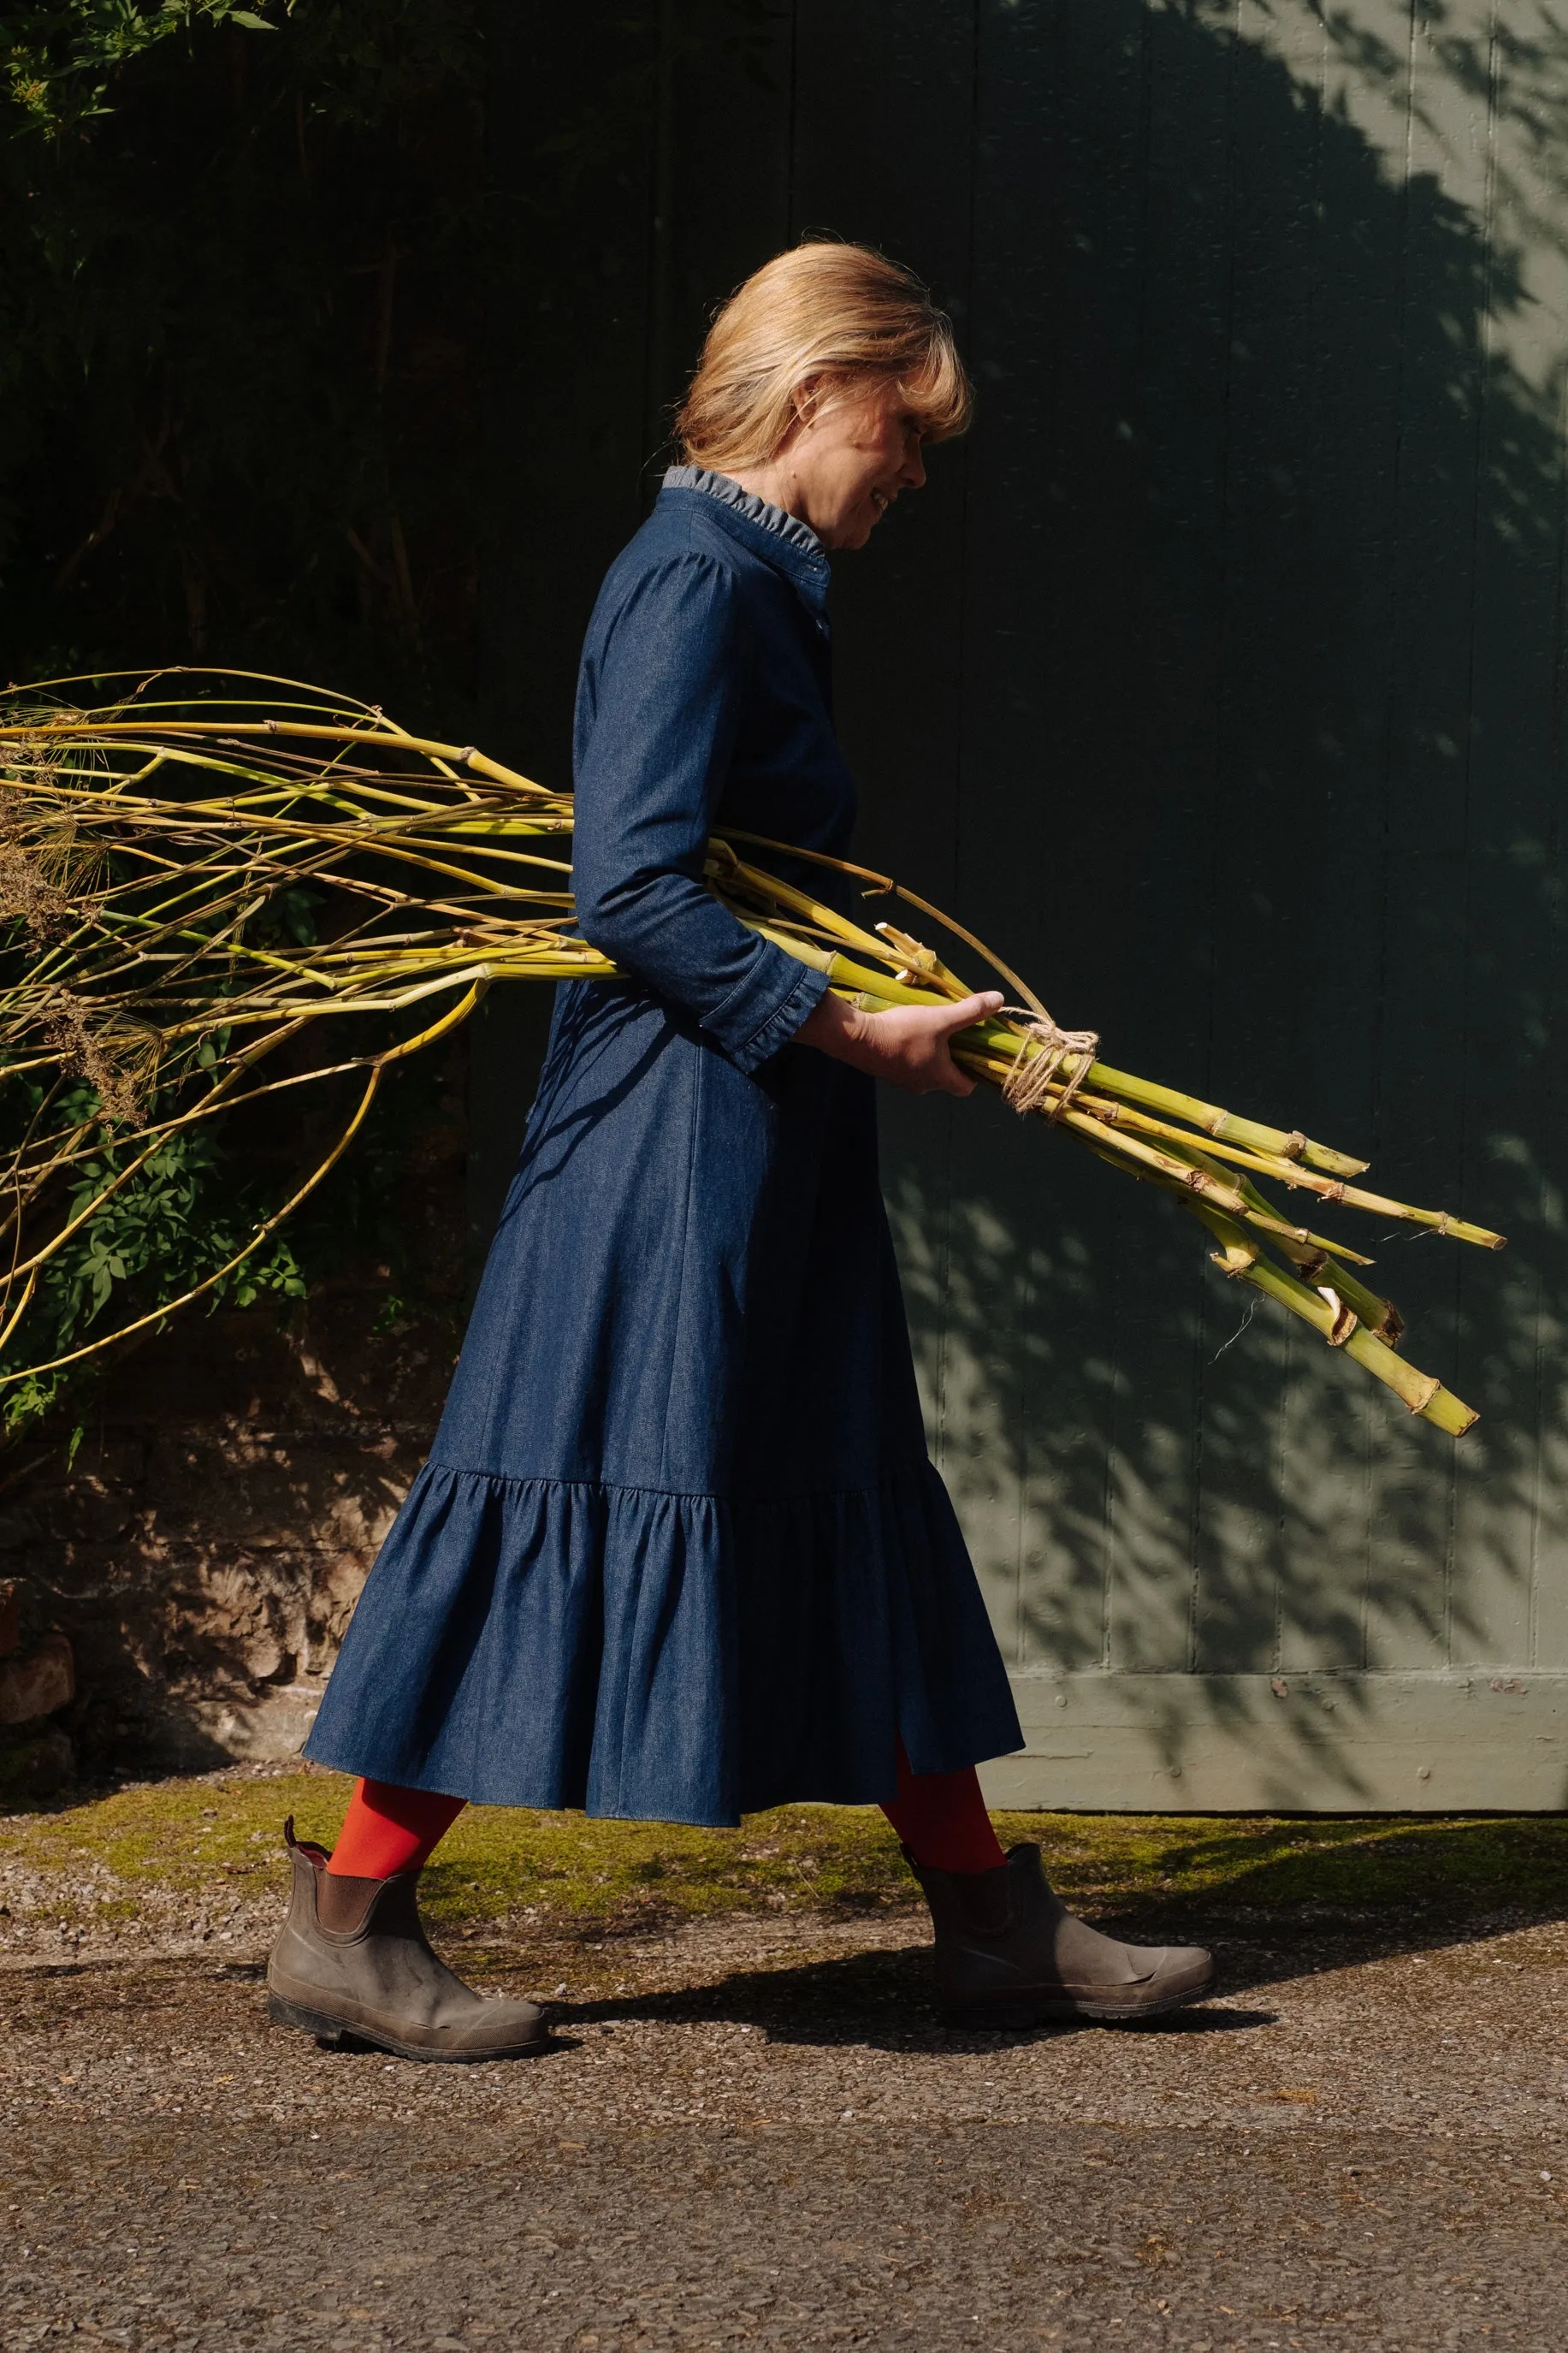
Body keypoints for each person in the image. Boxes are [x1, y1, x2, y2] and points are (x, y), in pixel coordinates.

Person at [268, 242, 1214, 2063]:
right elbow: (626, 886)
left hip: (764, 1123)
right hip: (662, 1143)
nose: (912, 470)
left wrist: (956, 1034)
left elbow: (754, 887)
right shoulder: (694, 580)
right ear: (811, 397)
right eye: (900, 428)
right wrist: (845, 1028)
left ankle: (989, 1917)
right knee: (568, 1479)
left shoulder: (750, 580)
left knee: (841, 1484)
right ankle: (348, 1910)